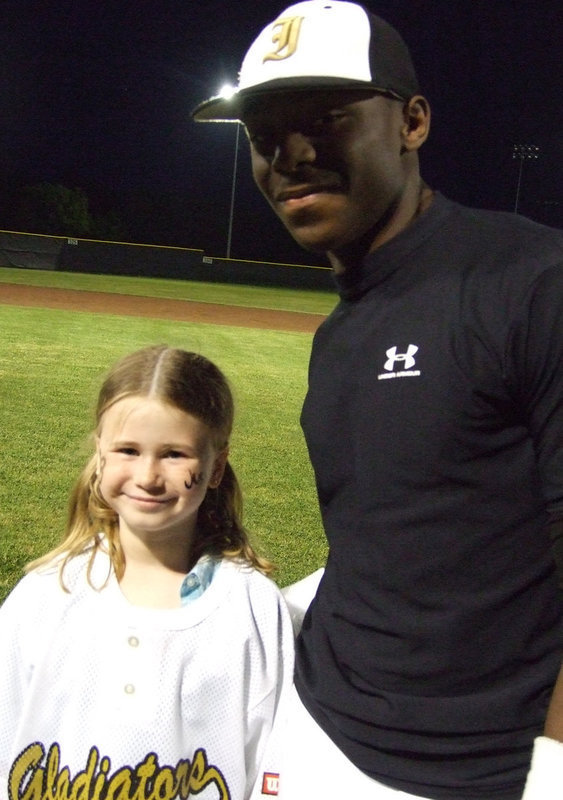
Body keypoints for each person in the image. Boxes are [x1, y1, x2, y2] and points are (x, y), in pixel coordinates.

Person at [192, 2, 563, 798]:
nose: (288, 156)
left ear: (412, 123)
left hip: (473, 771)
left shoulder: (530, 282)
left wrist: (555, 766)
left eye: (322, 120)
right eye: (263, 136)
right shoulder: (342, 331)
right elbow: (404, 528)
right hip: (316, 728)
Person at [0, 345, 294, 800]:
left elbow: (272, 768)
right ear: (100, 451)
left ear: (216, 466)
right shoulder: (45, 595)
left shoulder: (252, 609)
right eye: (128, 450)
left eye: (174, 454)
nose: (148, 476)